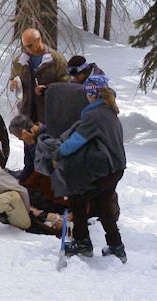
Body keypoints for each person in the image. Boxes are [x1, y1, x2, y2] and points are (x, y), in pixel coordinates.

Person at [53, 75, 127, 263]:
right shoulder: (109, 110)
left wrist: (58, 153)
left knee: (78, 197)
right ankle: (116, 245)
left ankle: (82, 242)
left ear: (91, 93)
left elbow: (78, 139)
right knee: (102, 204)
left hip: (107, 168)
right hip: (116, 168)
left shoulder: (94, 115)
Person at [9, 28, 69, 123]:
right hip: (26, 109)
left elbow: (67, 82)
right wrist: (13, 84)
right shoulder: (19, 60)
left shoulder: (55, 59)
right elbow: (13, 78)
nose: (28, 49)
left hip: (49, 110)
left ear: (38, 40)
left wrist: (47, 88)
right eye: (25, 46)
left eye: (30, 46)